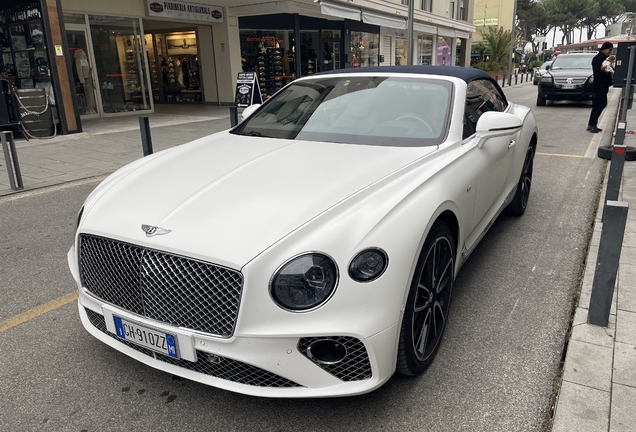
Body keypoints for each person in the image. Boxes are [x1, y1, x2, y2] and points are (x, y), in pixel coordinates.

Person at [587, 42, 614, 133]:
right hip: (599, 85)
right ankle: (592, 124)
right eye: (609, 49)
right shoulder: (598, 59)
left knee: (597, 105)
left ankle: (592, 124)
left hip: (604, 84)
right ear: (604, 49)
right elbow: (597, 72)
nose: (610, 52)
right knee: (601, 103)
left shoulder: (606, 59)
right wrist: (608, 74)